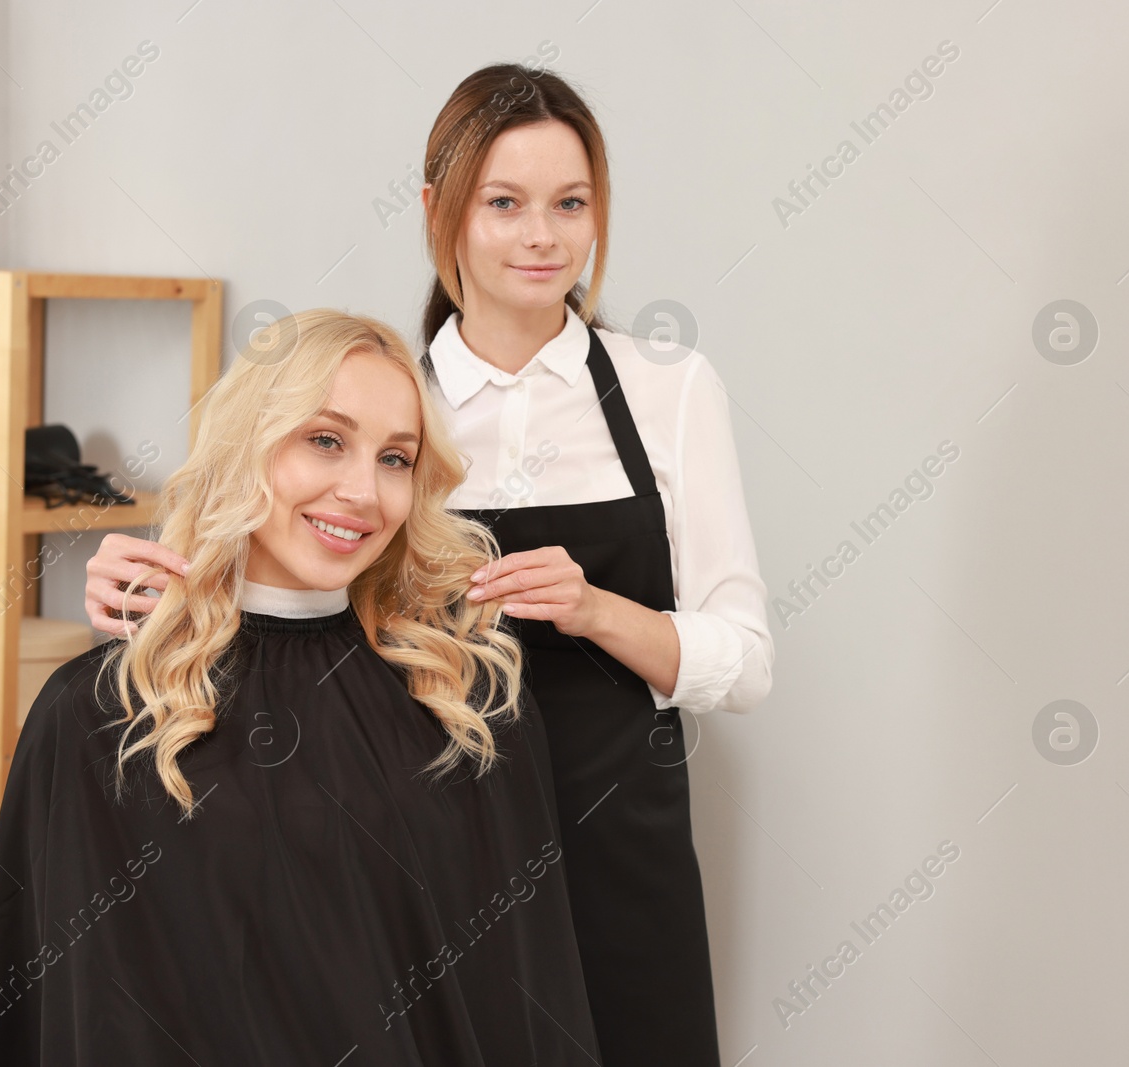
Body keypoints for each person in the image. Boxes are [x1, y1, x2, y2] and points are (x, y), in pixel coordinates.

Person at [87, 64, 775, 1065]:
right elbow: (274, 578)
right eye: (504, 203)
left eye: (568, 204)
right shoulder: (381, 398)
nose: (541, 237)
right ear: (438, 211)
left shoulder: (668, 388)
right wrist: (134, 581)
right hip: (426, 845)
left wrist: (593, 609)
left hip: (615, 849)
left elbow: (746, 661)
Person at [0, 310, 600, 1065]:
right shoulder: (99, 712)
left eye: (395, 458)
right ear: (246, 449)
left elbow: (525, 1003)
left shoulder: (468, 705)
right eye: (325, 440)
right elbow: (56, 1008)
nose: (362, 490)